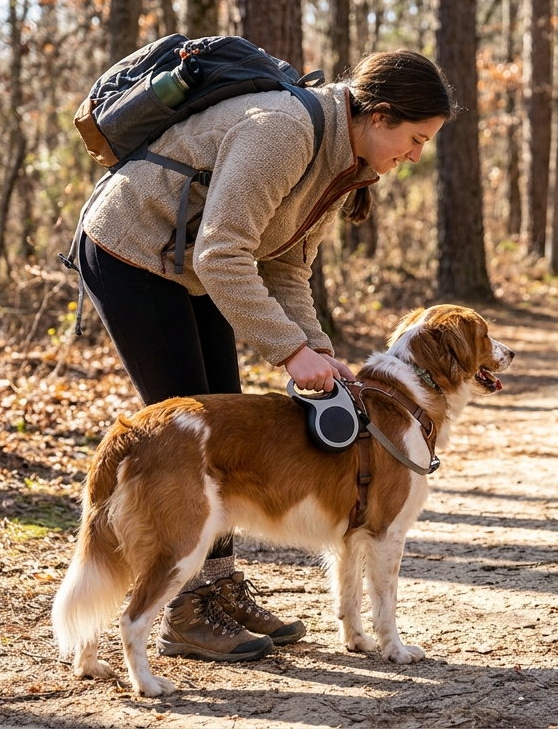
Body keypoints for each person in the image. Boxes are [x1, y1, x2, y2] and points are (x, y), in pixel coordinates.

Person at [76, 50, 454, 662]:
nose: (414, 155)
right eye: (414, 138)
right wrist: (289, 352)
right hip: (136, 254)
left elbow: (284, 267)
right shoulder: (282, 131)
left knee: (234, 434)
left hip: (191, 266)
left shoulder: (344, 163)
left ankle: (218, 591)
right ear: (378, 114)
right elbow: (224, 252)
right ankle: (186, 611)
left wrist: (321, 357)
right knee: (192, 441)